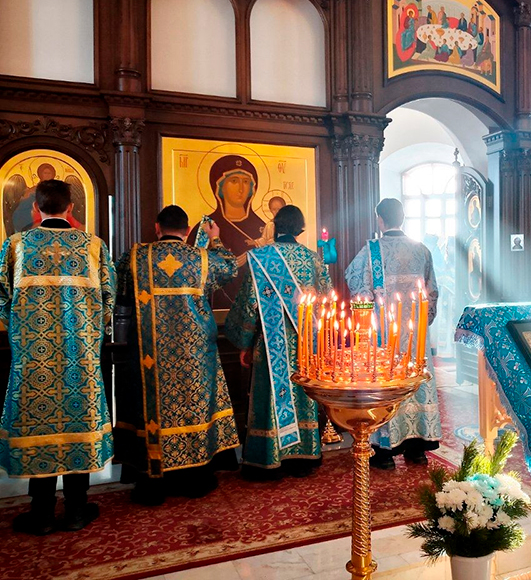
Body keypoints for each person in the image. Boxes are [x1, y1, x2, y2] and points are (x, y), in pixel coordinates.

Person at [0, 180, 115, 535]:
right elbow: (109, 299)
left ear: (36, 208)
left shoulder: (16, 245)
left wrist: (20, 331)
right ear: (71, 208)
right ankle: (77, 510)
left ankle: (42, 513)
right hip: (81, 357)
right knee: (78, 422)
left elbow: (2, 298)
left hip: (33, 359)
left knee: (39, 424)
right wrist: (90, 331)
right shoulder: (93, 246)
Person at [114, 206, 240, 505]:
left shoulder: (135, 257)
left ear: (157, 228)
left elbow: (119, 292)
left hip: (149, 355)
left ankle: (152, 482)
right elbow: (230, 268)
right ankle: (195, 477)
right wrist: (215, 238)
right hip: (194, 354)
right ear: (187, 231)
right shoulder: (202, 258)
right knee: (193, 407)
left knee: (151, 410)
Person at [226, 205, 331, 479]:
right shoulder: (312, 259)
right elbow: (326, 299)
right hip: (304, 344)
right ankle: (303, 456)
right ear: (300, 227)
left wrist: (244, 341)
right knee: (301, 395)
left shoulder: (260, 257)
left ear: (276, 225)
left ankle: (270, 458)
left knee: (271, 395)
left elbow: (249, 303)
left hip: (271, 342)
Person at [345, 198, 441, 470]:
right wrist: (423, 323)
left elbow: (355, 282)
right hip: (415, 336)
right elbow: (433, 291)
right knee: (416, 382)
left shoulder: (372, 250)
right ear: (402, 218)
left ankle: (385, 453)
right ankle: (417, 449)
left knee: (386, 386)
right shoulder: (422, 250)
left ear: (380, 220)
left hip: (385, 336)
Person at [187, 155, 269, 309]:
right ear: (219, 187)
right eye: (234, 181)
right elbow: (194, 271)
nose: (241, 188)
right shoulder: (206, 227)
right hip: (215, 306)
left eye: (246, 182)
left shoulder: (263, 228)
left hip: (253, 308)